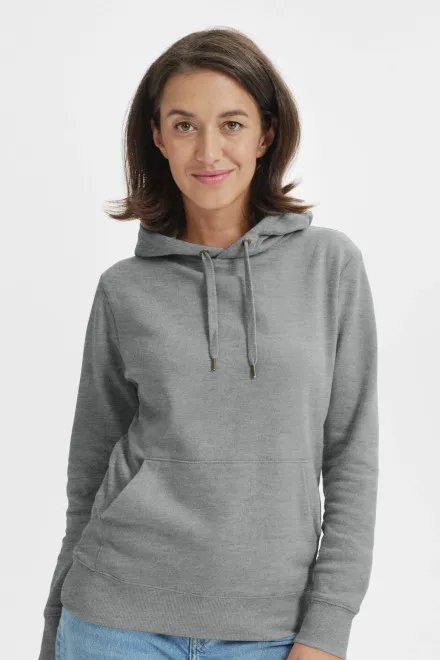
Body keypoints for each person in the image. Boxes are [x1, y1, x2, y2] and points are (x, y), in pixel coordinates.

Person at [38, 27, 379, 660]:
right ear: (158, 137)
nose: (208, 151)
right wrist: (53, 631)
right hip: (113, 620)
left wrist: (328, 627)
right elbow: (87, 478)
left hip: (272, 631)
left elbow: (351, 456)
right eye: (185, 125)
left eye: (231, 124)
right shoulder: (123, 289)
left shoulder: (330, 266)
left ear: (266, 133)